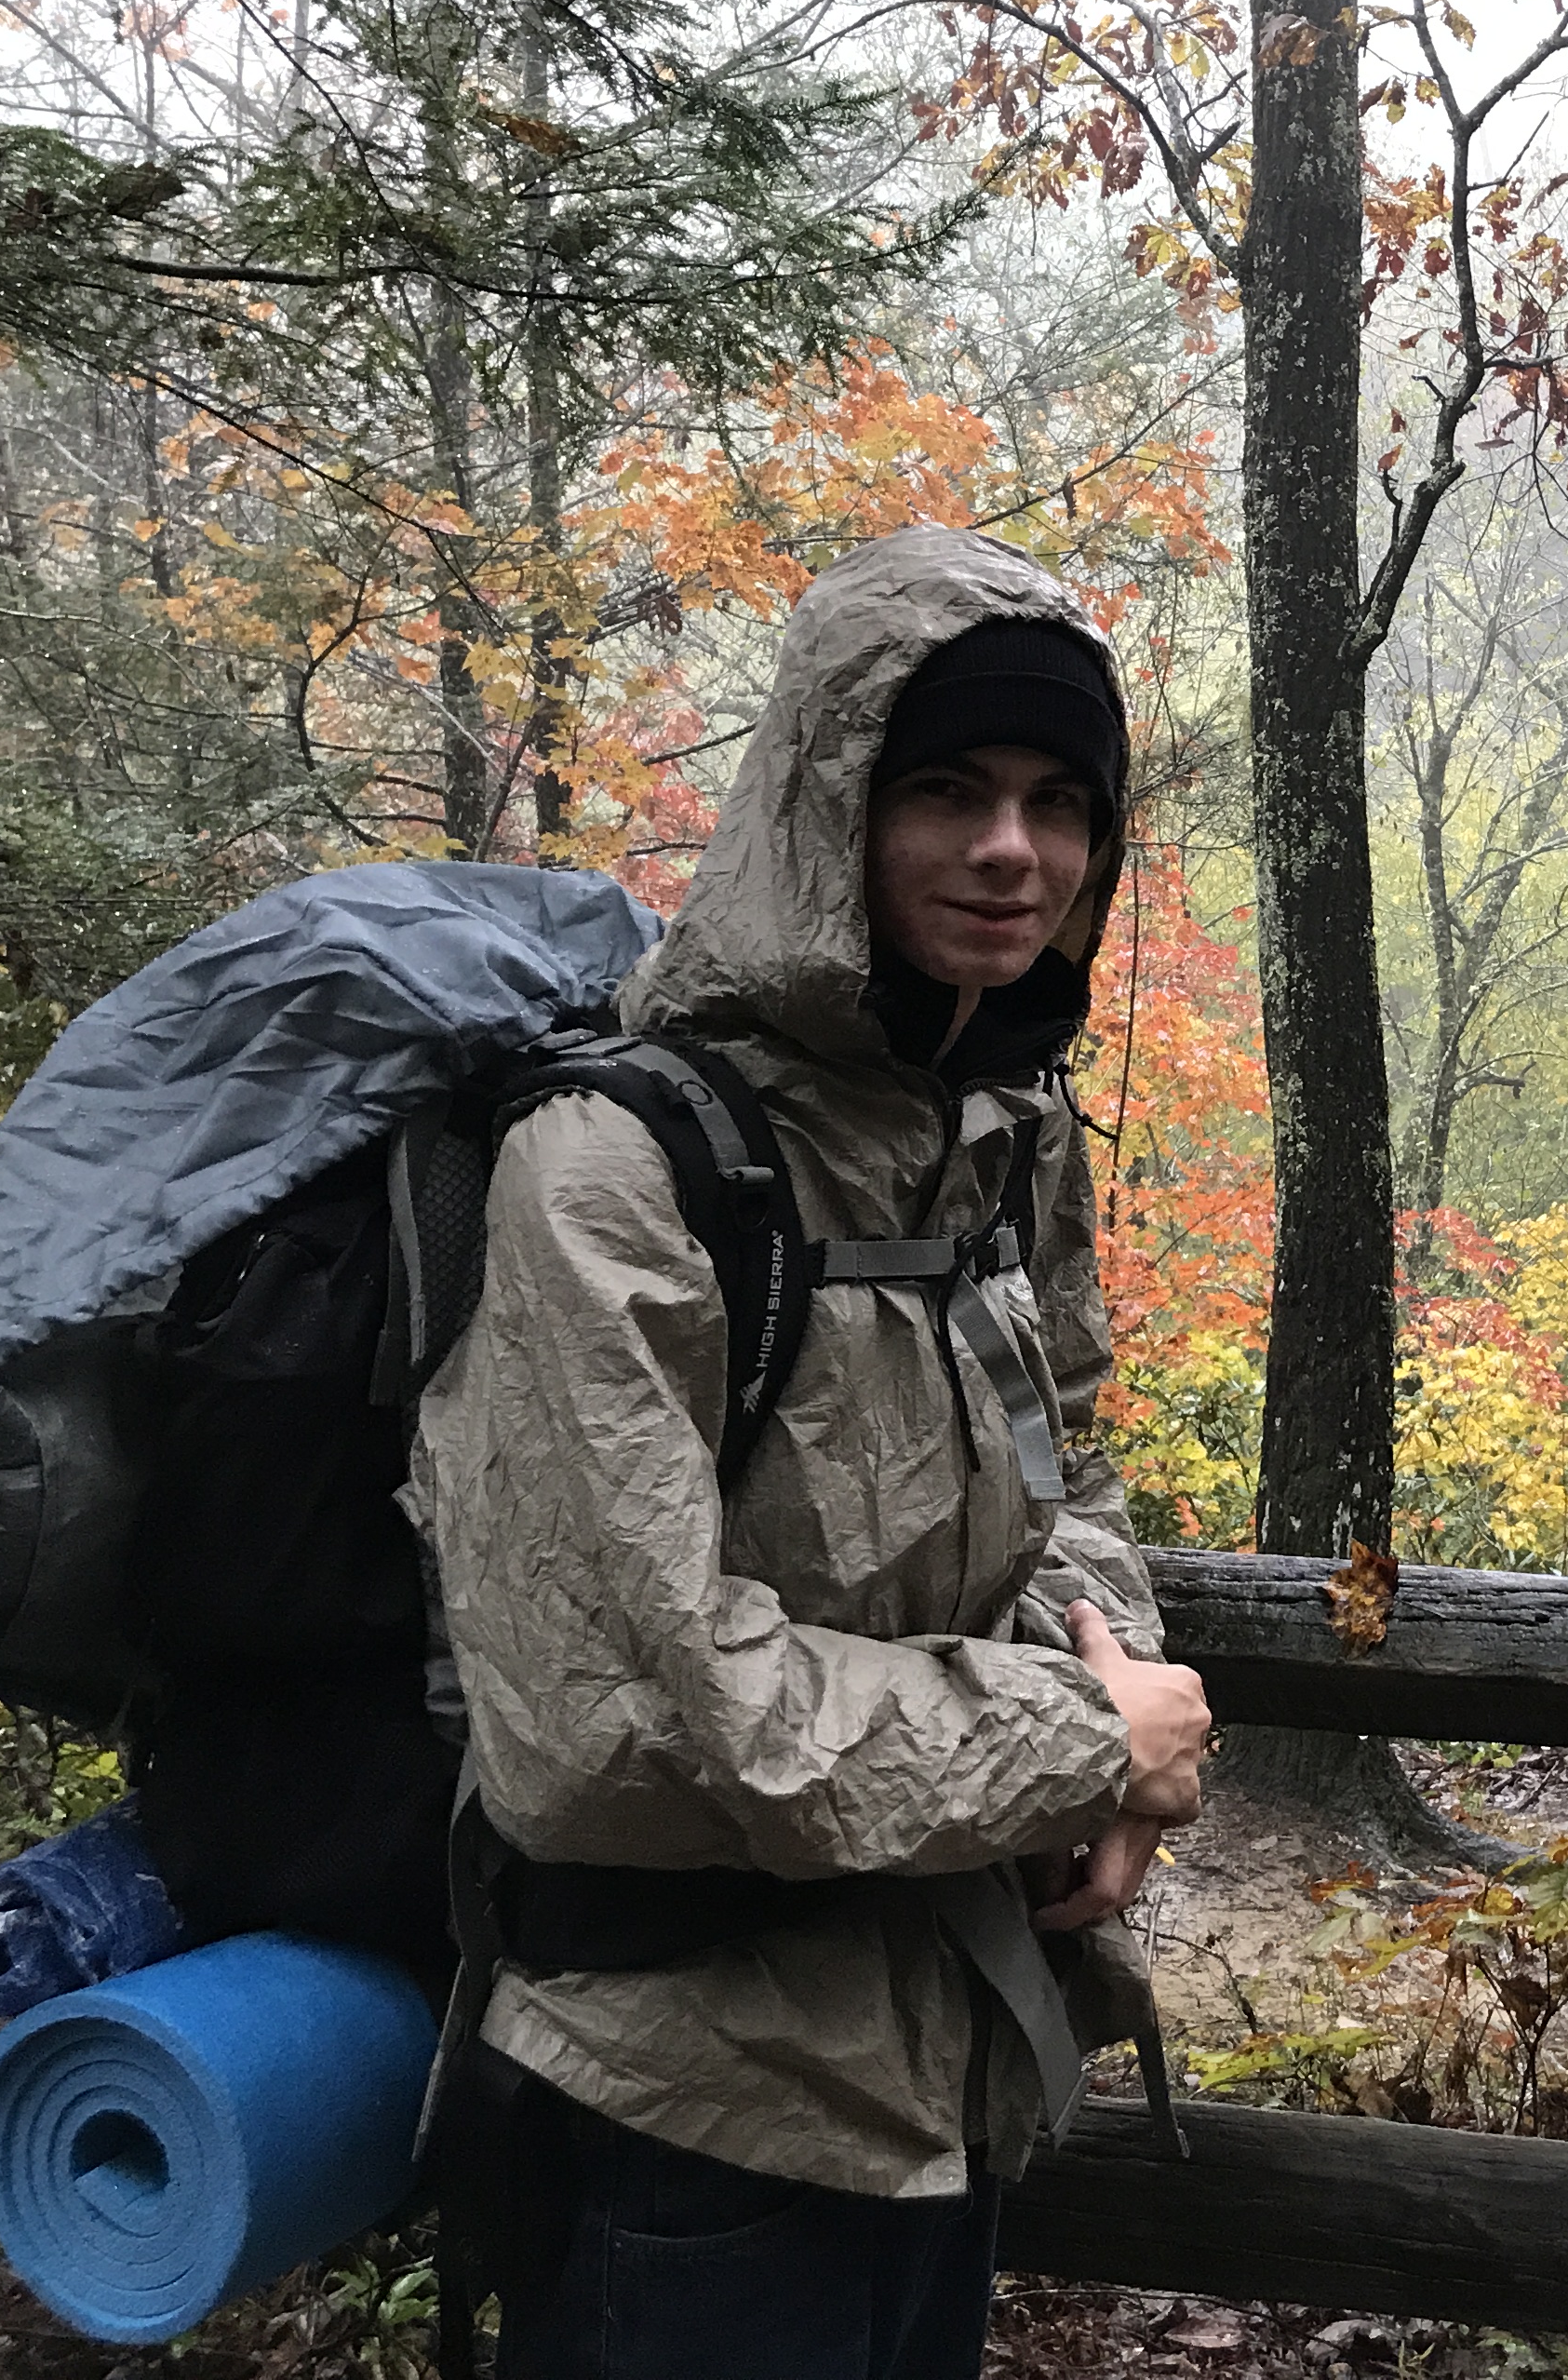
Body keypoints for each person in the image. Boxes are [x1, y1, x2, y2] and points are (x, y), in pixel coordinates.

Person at [412, 524, 1213, 2380]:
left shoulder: (999, 1130)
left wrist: (1101, 1715)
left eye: (1058, 803)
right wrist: (1085, 1743)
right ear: (829, 806)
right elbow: (641, 1715)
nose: (1012, 849)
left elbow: (1070, 1463)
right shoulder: (613, 1171)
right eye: (947, 790)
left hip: (941, 2057)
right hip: (688, 2103)